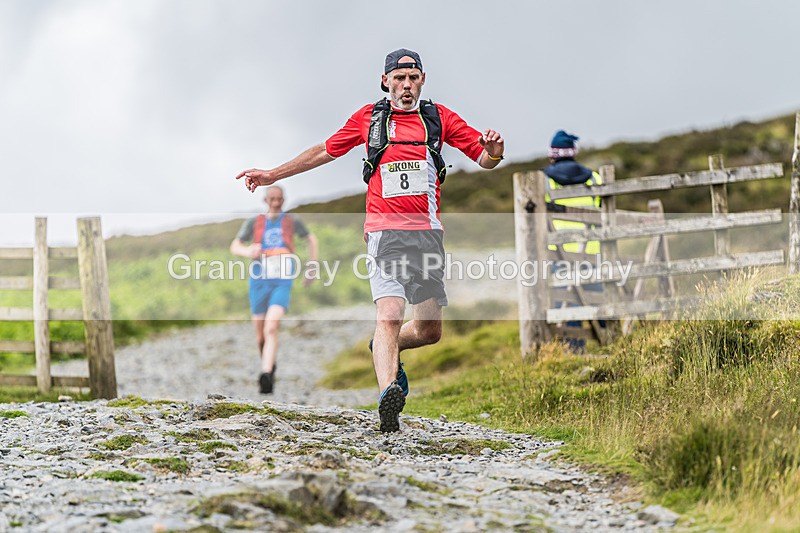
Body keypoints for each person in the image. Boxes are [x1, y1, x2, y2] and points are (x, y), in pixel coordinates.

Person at [234, 48, 504, 432]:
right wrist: (273, 175)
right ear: (385, 81)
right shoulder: (369, 119)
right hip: (384, 232)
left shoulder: (439, 118)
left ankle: (383, 348)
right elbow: (322, 151)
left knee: (429, 330)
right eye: (399, 79)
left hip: (427, 235)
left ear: (422, 81)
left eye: (413, 79)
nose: (406, 86)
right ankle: (387, 399)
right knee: (389, 314)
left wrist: (496, 152)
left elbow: (484, 157)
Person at [230, 185, 318, 394]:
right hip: (259, 280)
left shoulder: (292, 221)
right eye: (272, 199)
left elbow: (311, 239)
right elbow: (235, 246)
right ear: (266, 200)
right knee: (260, 336)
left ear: (284, 200)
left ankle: (266, 373)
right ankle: (269, 365)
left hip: (282, 279)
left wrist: (311, 266)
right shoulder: (254, 222)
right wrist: (247, 251)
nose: (276, 202)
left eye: (279, 199)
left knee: (272, 327)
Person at [543, 130, 604, 350]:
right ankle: (607, 342)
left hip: (559, 252)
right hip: (591, 250)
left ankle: (573, 349)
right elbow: (601, 211)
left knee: (565, 301)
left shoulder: (544, 180)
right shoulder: (595, 177)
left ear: (552, 154)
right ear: (573, 152)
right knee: (595, 299)